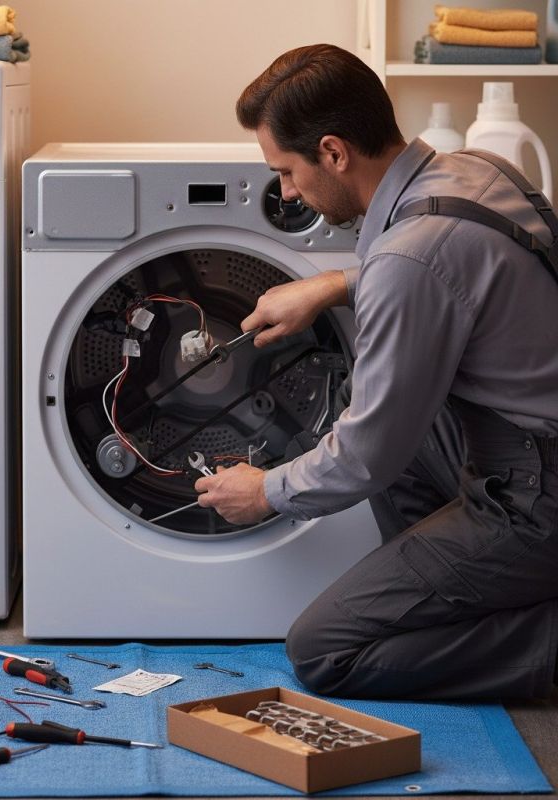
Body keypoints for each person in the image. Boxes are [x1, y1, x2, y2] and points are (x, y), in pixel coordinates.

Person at [194, 43, 558, 701]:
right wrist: (336, 284)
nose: (287, 192)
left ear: (334, 151)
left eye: (286, 171)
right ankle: (454, 586)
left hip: (537, 499)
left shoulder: (407, 260)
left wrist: (266, 491)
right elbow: (454, 268)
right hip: (529, 452)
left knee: (327, 650)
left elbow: (365, 457)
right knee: (393, 396)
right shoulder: (474, 169)